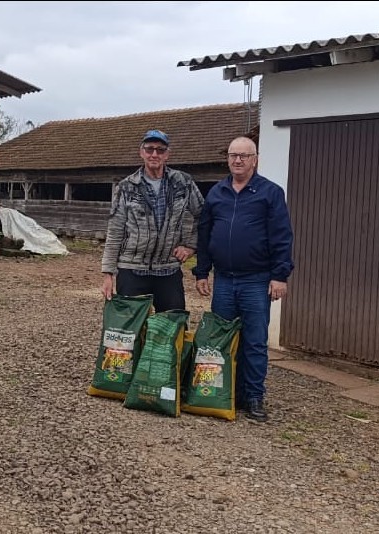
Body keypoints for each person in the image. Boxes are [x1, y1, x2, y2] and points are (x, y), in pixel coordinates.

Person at [193, 136, 294, 422]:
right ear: (227, 159)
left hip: (256, 281)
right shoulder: (217, 192)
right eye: (233, 155)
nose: (238, 160)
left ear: (255, 160)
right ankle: (224, 393)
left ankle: (253, 396)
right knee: (221, 339)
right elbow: (205, 234)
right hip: (224, 280)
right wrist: (202, 271)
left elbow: (282, 235)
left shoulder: (270, 193)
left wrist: (280, 275)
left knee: (254, 341)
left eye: (244, 156)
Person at [101, 129, 205, 312]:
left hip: (168, 269)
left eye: (160, 150)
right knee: (131, 326)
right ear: (141, 152)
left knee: (172, 324)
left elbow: (203, 215)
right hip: (131, 269)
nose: (154, 154)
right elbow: (115, 231)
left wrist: (190, 246)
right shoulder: (126, 187)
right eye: (149, 149)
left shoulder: (183, 183)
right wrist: (108, 274)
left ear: (167, 154)